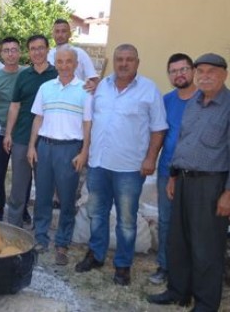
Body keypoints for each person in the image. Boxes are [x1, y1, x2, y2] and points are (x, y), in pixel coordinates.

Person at [148, 53, 230, 311]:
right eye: (201, 71)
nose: (205, 76)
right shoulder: (194, 103)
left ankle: (206, 303)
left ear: (224, 75)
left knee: (206, 246)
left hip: (212, 185)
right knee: (179, 240)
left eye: (211, 72)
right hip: (183, 180)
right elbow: (183, 142)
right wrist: (174, 176)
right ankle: (178, 291)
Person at [75, 44, 167, 286]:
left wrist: (151, 158)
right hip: (98, 164)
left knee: (126, 219)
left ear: (137, 62)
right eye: (119, 59)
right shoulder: (102, 87)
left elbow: (158, 128)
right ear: (114, 61)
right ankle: (96, 254)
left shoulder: (149, 90)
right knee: (97, 213)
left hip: (129, 168)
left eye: (129, 59)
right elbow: (90, 120)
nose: (123, 63)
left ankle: (123, 265)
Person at [27, 45, 92, 266]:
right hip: (45, 147)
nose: (64, 66)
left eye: (69, 61)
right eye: (60, 61)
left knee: (66, 198)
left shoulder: (84, 90)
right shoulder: (45, 88)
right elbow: (38, 119)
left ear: (76, 64)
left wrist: (84, 151)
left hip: (70, 149)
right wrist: (32, 146)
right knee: (43, 195)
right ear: (55, 63)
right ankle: (40, 237)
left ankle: (62, 243)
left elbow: (87, 124)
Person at [148, 53, 197, 285]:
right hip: (167, 169)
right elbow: (159, 133)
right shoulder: (166, 101)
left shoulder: (204, 100)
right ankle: (164, 266)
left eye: (183, 69)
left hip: (195, 173)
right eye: (174, 71)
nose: (179, 74)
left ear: (193, 71)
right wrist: (150, 159)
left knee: (191, 222)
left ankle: (188, 269)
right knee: (166, 220)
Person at [4, 34, 58, 228]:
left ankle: (41, 229)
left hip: (47, 140)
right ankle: (14, 227)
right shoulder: (23, 76)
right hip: (21, 138)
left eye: (40, 48)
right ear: (28, 52)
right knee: (18, 188)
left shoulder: (57, 75)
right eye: (33, 48)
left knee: (44, 188)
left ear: (47, 49)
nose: (37, 52)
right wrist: (8, 133)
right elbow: (15, 106)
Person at [0, 37, 23, 220]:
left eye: (14, 50)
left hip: (22, 133)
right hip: (0, 132)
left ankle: (22, 210)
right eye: (6, 50)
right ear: (0, 53)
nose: (11, 54)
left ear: (20, 52)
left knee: (22, 175)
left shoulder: (27, 74)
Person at [47, 19, 99, 88]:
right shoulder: (48, 55)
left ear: (70, 34)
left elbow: (94, 79)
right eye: (57, 31)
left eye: (63, 31)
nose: (60, 35)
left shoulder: (80, 53)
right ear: (53, 34)